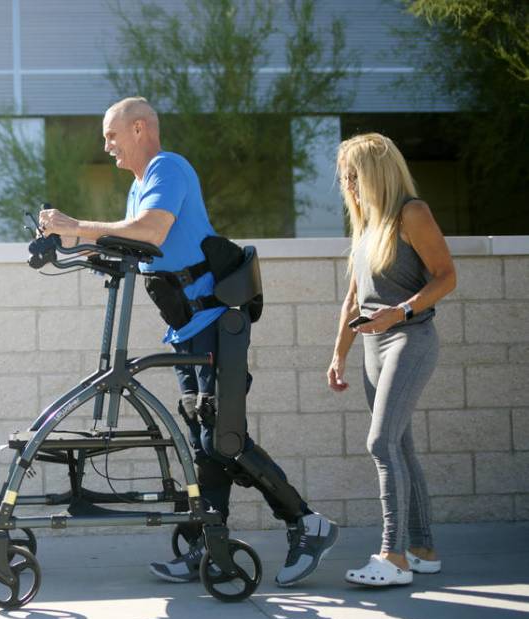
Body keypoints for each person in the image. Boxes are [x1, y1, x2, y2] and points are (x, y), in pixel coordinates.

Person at [39, 96, 338, 587]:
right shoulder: (139, 188)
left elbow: (151, 232)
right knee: (205, 440)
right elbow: (126, 242)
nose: (106, 145)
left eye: (111, 135)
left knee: (223, 437)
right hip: (188, 332)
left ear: (139, 129)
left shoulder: (167, 169)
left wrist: (80, 227)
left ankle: (307, 523)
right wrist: (66, 237)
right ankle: (207, 545)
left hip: (218, 323)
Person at [329, 133, 455, 587]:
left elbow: (447, 277)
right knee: (401, 447)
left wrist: (400, 311)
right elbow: (353, 299)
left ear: (375, 173)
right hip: (372, 347)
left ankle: (393, 556)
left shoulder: (411, 214)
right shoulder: (367, 226)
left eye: (353, 175)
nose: (348, 185)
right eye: (345, 177)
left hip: (410, 339)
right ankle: (422, 548)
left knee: (380, 443)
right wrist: (339, 354)